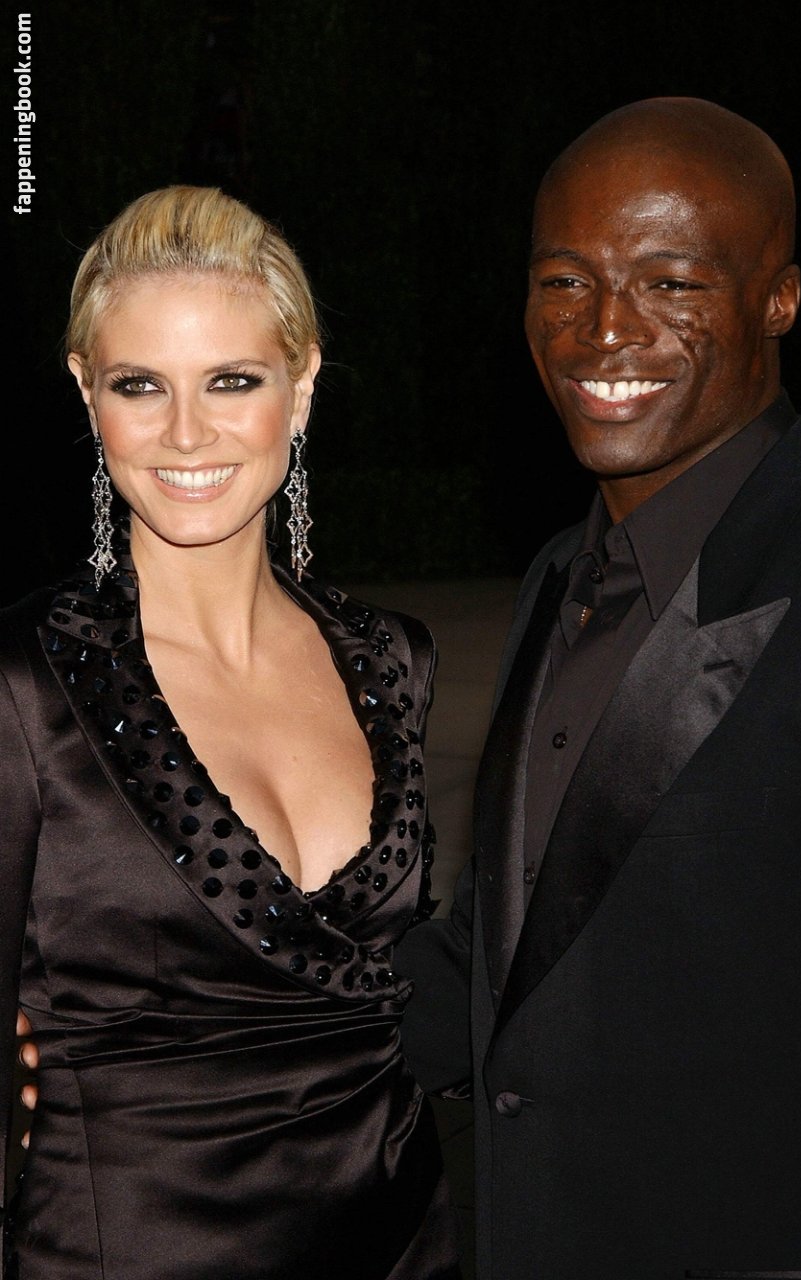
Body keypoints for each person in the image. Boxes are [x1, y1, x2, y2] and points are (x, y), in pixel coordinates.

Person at [397, 97, 801, 1277]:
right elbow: (497, 961)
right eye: (565, 281)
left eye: (671, 284)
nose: (604, 329)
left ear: (779, 299)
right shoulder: (563, 574)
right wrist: (166, 1030)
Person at [1, 185, 462, 1278]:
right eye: (140, 385)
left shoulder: (392, 660)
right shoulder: (22, 685)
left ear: (302, 388)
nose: (186, 431)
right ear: (87, 392)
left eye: (233, 380)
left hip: (404, 1240)